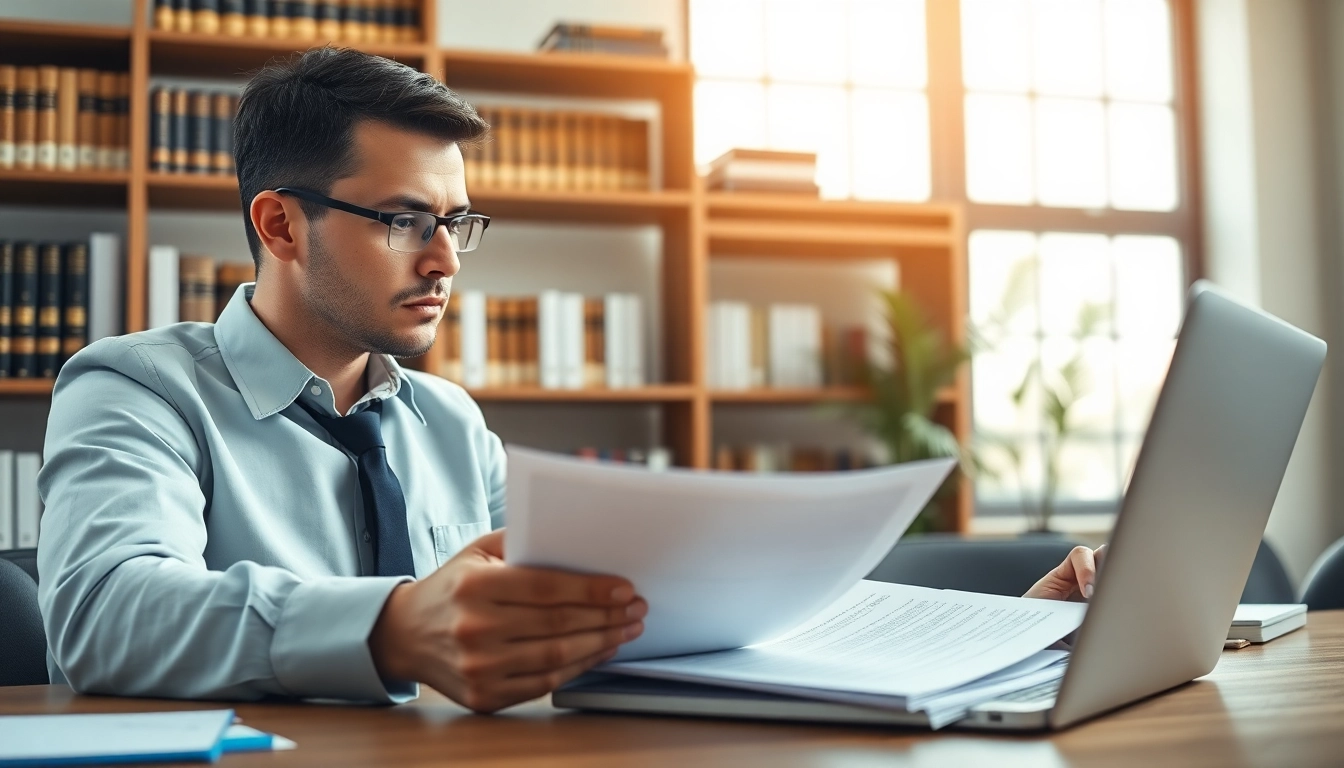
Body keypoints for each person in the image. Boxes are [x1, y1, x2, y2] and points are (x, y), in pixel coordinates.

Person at [36, 48, 1101, 714]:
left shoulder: (447, 420)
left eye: (457, 223)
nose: (446, 260)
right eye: (406, 220)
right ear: (279, 221)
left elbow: (643, 615)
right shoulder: (137, 388)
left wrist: (1004, 633)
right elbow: (102, 616)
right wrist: (393, 626)